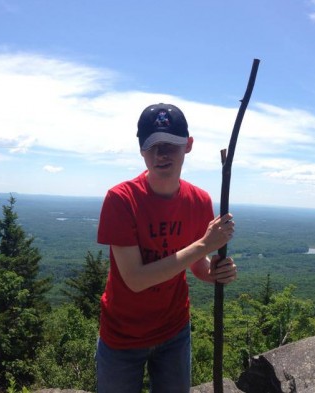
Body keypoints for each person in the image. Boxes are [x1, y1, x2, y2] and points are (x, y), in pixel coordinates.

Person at [96, 103, 238, 392]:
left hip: (174, 331)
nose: (161, 154)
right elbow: (135, 279)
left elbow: (198, 266)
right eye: (153, 146)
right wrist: (204, 245)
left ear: (188, 145)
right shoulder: (121, 200)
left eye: (170, 145)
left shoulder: (198, 200)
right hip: (122, 335)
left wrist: (216, 271)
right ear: (141, 150)